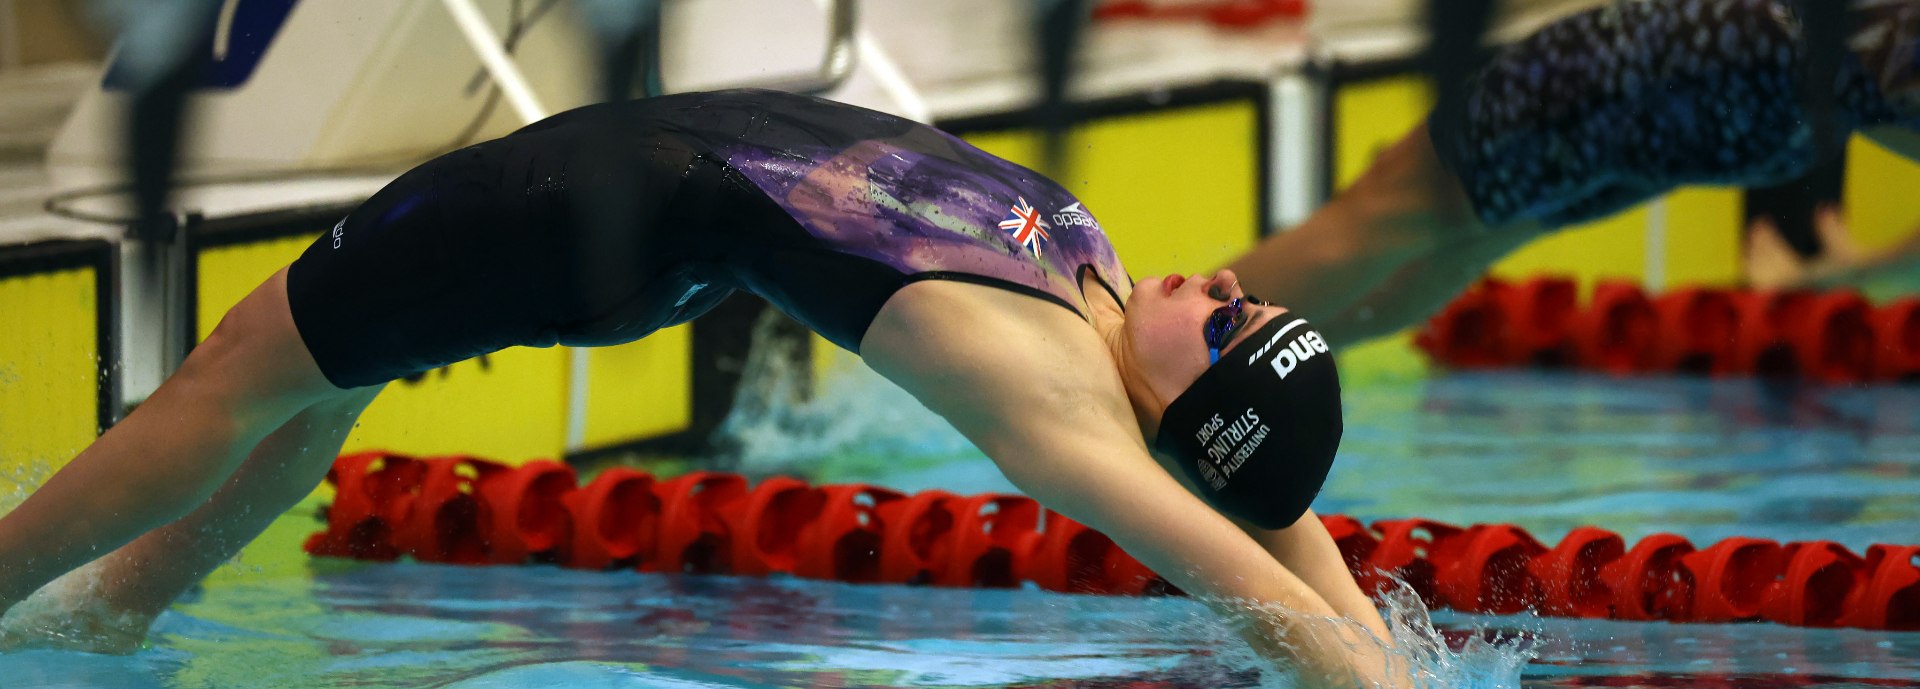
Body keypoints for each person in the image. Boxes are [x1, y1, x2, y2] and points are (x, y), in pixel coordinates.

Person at [0, 89, 1392, 687]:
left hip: (575, 213)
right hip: (629, 193)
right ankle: (116, 607)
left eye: (1228, 328)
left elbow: (1226, 556)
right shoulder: (1097, 293)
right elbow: (1264, 498)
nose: (1223, 286)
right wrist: (1391, 646)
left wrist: (1344, 664)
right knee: (309, 393)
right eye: (1246, 299)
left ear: (1177, 416)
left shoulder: (1050, 397)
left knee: (232, 376)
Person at [1231, 0, 1920, 344]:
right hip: (1765, 121)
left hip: (1697, 54)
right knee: (1464, 234)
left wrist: (1847, 271)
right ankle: (1244, 381)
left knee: (1389, 207)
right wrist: (1853, 270)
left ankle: (1146, 385)